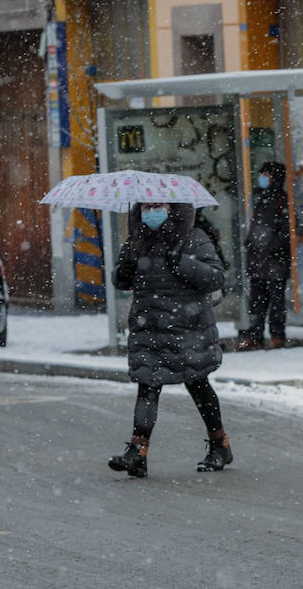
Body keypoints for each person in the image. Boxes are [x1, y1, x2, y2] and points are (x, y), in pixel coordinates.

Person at [108, 201, 232, 478]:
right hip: (148, 327)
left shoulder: (194, 238)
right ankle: (137, 453)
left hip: (187, 328)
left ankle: (220, 444)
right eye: (145, 207)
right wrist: (125, 269)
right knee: (147, 387)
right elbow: (120, 279)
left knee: (198, 384)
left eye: (158, 206)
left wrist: (183, 263)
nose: (151, 212)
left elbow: (216, 277)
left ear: (173, 208)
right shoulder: (137, 241)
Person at [238, 161, 290, 351]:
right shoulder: (261, 198)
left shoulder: (280, 200)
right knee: (257, 302)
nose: (262, 178)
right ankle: (256, 335)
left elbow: (284, 231)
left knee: (275, 302)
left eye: (266, 174)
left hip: (274, 261)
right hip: (259, 261)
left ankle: (277, 336)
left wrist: (269, 247)